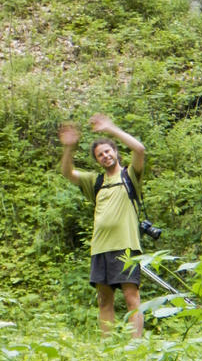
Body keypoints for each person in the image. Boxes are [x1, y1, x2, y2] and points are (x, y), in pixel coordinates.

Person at [59, 114, 145, 338]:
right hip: (100, 248)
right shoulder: (95, 181)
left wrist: (111, 128)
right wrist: (69, 147)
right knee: (104, 299)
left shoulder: (130, 176)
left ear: (115, 152)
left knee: (130, 297)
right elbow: (67, 173)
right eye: (100, 154)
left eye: (108, 151)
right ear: (97, 160)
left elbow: (140, 149)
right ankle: (108, 347)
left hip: (126, 245)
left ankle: (137, 346)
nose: (105, 156)